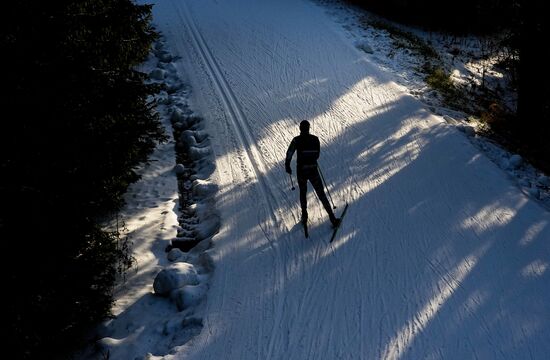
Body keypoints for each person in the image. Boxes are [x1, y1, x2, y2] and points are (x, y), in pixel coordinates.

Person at [285, 120, 340, 227]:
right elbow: (317, 155)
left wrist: (287, 165)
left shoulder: (296, 140)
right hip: (313, 169)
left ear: (300, 128)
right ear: (309, 128)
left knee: (303, 192)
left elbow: (289, 153)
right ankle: (332, 218)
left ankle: (304, 216)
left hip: (301, 170)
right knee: (321, 193)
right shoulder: (315, 139)